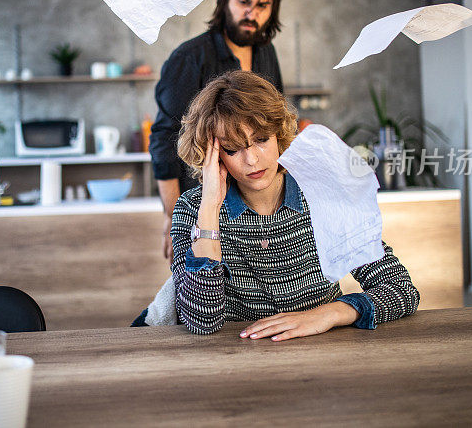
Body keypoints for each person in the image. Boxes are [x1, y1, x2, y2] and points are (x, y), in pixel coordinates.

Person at [172, 71, 420, 339]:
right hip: (237, 360)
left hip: (322, 355)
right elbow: (202, 321)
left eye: (261, 139)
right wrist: (209, 207)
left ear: (279, 134)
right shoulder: (193, 208)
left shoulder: (322, 194)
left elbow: (400, 289)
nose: (252, 159)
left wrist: (328, 314)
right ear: (214, 156)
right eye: (233, 149)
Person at [150, 0, 284, 264]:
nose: (252, 13)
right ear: (225, 1)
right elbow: (163, 139)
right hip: (201, 206)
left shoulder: (266, 53)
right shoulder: (190, 57)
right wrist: (172, 217)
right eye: (243, 2)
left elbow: (274, 121)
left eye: (263, 5)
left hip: (256, 208)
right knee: (202, 291)